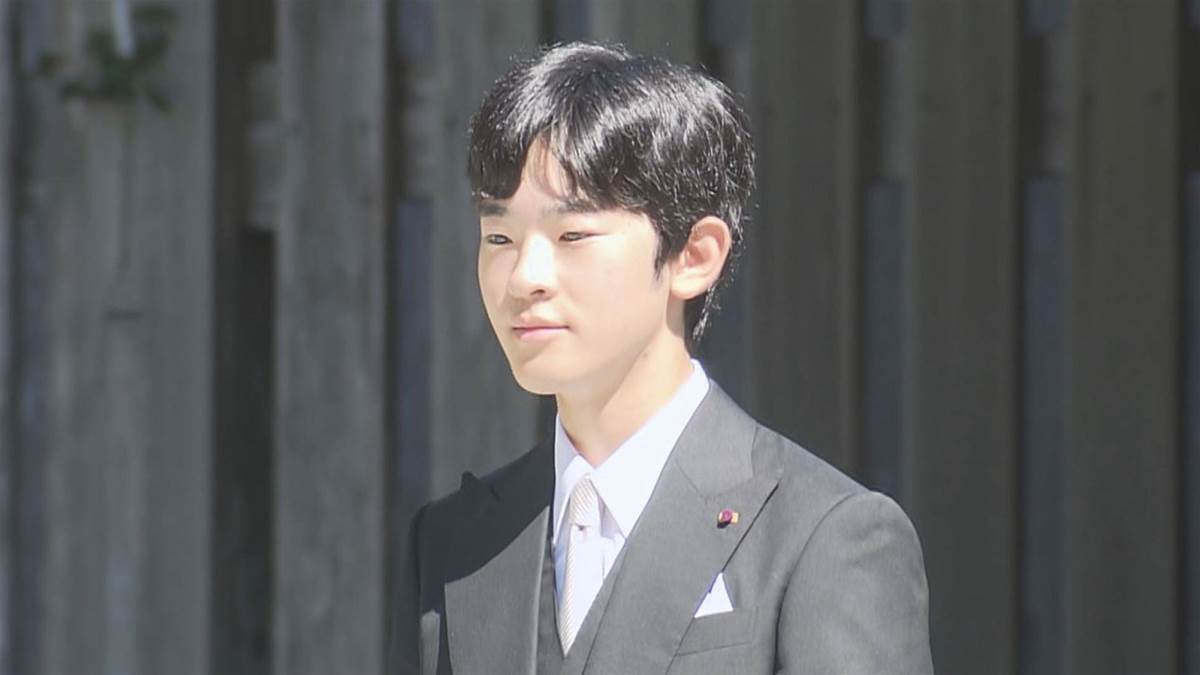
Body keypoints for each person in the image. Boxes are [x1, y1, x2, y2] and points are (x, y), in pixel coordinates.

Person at [389, 41, 933, 674]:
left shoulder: (824, 536)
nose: (525, 277)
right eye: (499, 236)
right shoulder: (452, 543)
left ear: (694, 256)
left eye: (572, 235)